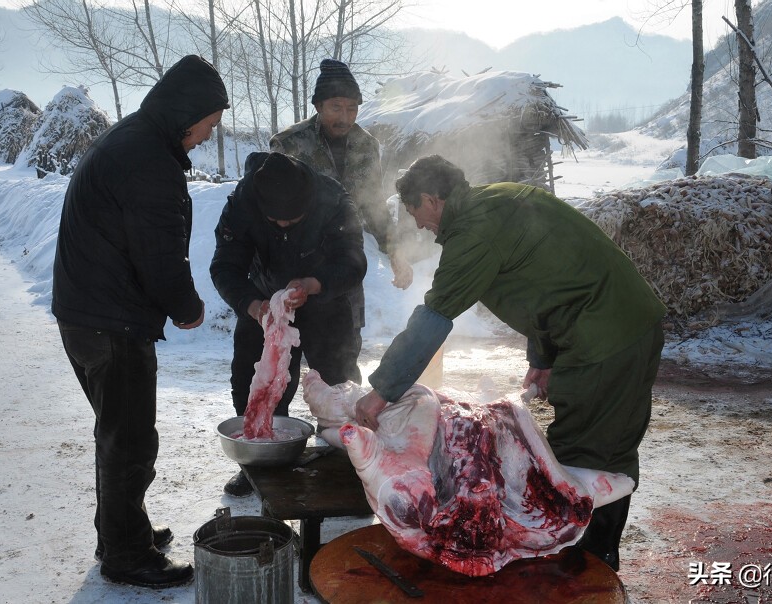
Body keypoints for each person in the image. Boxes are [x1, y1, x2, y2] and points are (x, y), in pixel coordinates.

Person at [353, 155, 666, 572]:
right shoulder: (503, 199)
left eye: (415, 213)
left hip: (600, 340)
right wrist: (544, 358)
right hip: (633, 324)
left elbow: (433, 318)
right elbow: (545, 284)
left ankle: (577, 569)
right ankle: (601, 557)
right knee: (614, 445)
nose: (419, 225)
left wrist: (381, 393)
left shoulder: (473, 234)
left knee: (577, 460)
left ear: (431, 199)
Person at [51, 55, 229, 589]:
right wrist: (188, 307)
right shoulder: (149, 159)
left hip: (87, 314)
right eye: (209, 125)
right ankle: (127, 555)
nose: (206, 136)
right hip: (111, 321)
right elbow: (158, 252)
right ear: (188, 115)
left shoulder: (134, 140)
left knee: (117, 433)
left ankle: (120, 532)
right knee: (129, 441)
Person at [210, 151, 367, 496]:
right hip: (263, 302)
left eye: (292, 220)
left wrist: (315, 284)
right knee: (254, 381)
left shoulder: (334, 200)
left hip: (325, 301)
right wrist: (253, 306)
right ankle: (256, 461)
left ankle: (349, 463)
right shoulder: (242, 203)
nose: (283, 226)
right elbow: (224, 266)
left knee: (337, 384)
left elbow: (353, 262)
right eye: (275, 220)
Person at [270, 58, 413, 360]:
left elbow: (374, 204)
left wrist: (395, 251)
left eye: (352, 108)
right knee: (282, 360)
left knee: (342, 361)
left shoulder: (366, 145)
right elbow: (269, 212)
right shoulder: (289, 144)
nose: (345, 117)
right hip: (294, 264)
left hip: (343, 265)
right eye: (336, 107)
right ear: (319, 106)